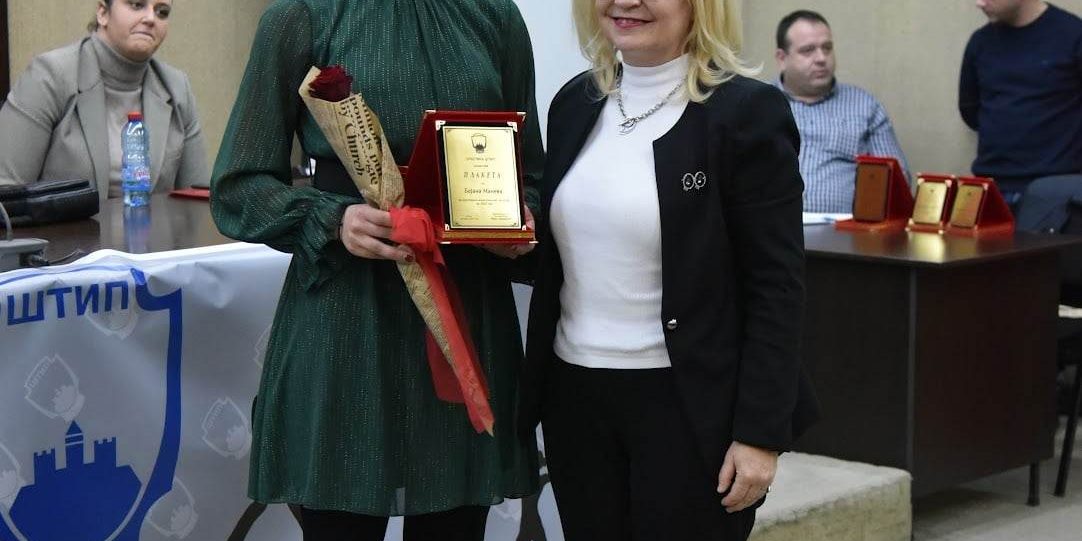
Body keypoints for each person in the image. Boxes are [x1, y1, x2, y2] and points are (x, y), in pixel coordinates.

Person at [209, 1, 542, 540]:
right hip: (348, 321)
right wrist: (332, 219)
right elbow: (238, 187)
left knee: (456, 529)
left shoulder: (494, 16)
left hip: (465, 314)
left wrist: (519, 222)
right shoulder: (302, 15)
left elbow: (532, 174)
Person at [520, 0, 818, 539]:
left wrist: (760, 433)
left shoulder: (747, 113)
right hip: (574, 399)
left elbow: (776, 286)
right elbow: (574, 253)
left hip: (687, 406)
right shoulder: (574, 103)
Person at [0, 0, 208, 204]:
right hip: (66, 228)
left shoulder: (176, 88)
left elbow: (198, 199)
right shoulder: (49, 76)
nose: (151, 18)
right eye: (137, 5)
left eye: (162, 12)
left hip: (158, 228)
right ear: (103, 13)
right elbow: (5, 191)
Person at [774, 10, 909, 214]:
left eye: (827, 48)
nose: (821, 58)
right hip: (770, 228)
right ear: (782, 58)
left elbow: (897, 182)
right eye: (808, 50)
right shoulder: (758, 105)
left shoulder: (865, 107)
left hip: (841, 231)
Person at [960, 0, 1082, 210]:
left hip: (1056, 197)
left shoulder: (1073, 36)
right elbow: (971, 110)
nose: (979, 3)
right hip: (990, 190)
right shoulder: (980, 43)